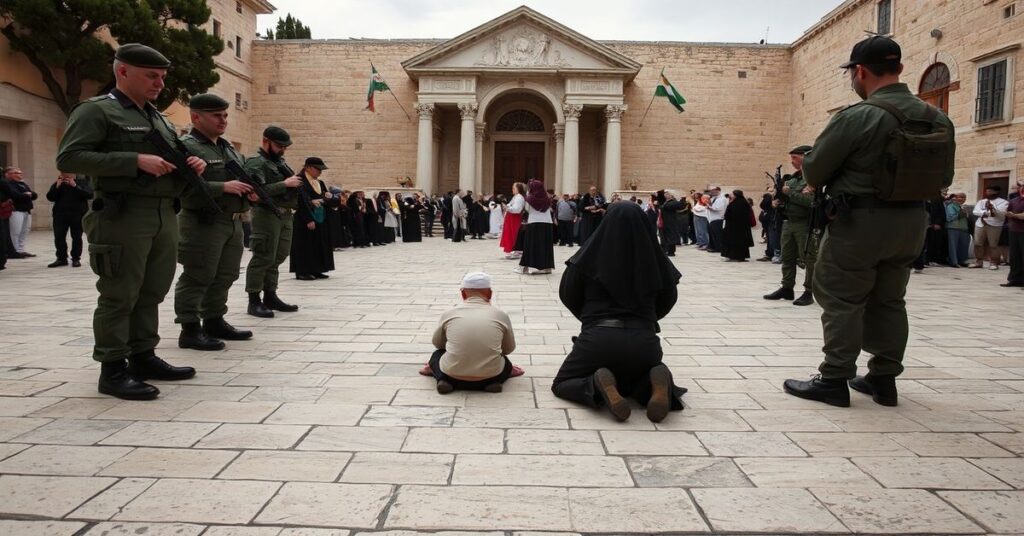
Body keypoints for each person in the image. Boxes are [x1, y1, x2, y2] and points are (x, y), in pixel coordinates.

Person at [783, 35, 956, 407]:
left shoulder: (858, 115)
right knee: (891, 300)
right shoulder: (937, 117)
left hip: (860, 222)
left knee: (842, 298)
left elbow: (814, 170)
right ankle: (883, 378)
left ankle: (833, 379)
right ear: (900, 69)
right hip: (911, 222)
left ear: (860, 71)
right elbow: (944, 178)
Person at [56, 43, 202, 400]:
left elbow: (171, 161)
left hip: (163, 213)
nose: (159, 84)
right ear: (122, 71)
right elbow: (70, 157)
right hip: (122, 215)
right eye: (151, 76)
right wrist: (133, 159)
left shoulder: (159, 118)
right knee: (120, 292)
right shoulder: (97, 111)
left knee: (152, 290)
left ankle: (143, 355)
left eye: (162, 77)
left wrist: (191, 165)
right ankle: (113, 368)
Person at [551, 201, 686, 422]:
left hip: (597, 338)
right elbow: (668, 299)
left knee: (562, 384)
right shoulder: (657, 259)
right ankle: (654, 384)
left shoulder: (587, 257)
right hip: (644, 340)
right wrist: (646, 319)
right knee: (633, 378)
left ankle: (595, 384)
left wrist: (590, 320)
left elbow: (568, 294)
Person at [172, 93, 258, 352]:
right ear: (196, 117)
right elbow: (180, 188)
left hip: (231, 221)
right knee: (199, 274)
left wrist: (248, 192)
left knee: (226, 275)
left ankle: (214, 319)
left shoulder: (227, 147)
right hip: (203, 221)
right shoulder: (186, 147)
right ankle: (189, 328)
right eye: (216, 115)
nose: (223, 120)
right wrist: (223, 187)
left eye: (225, 115)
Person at [243, 126, 303, 318]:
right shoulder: (256, 163)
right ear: (265, 141)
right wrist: (285, 184)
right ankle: (254, 300)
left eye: (285, 147)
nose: (283, 150)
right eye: (279, 146)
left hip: (285, 214)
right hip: (266, 214)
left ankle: (270, 295)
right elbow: (255, 192)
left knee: (278, 256)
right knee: (263, 256)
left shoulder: (279, 162)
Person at [429, 272, 518, 393]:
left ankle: (443, 379)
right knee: (505, 361)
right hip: (491, 375)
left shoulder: (449, 313)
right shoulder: (500, 315)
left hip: (452, 375)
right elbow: (508, 349)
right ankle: (493, 383)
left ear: (463, 293)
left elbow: (438, 344)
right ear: (490, 293)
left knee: (436, 355)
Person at [764, 145, 817, 305]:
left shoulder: (813, 179)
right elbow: (786, 199)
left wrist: (790, 193)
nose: (792, 161)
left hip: (804, 224)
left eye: (795, 158)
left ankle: (809, 291)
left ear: (805, 157)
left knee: (809, 259)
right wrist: (777, 202)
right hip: (788, 222)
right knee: (787, 257)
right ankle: (787, 288)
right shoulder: (792, 179)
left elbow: (811, 202)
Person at [290, 157, 336, 280]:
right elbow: (300, 201)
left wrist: (327, 199)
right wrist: (308, 219)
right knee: (305, 245)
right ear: (308, 167)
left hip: (320, 217)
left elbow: (325, 198)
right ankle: (302, 271)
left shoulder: (320, 183)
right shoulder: (299, 181)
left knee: (317, 243)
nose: (320, 172)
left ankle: (317, 269)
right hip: (304, 218)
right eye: (318, 169)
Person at [45, 172, 92, 268]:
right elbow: (50, 197)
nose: (64, 176)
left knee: (76, 237)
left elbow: (89, 195)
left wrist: (75, 186)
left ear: (73, 174)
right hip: (60, 215)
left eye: (66, 174)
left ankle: (76, 258)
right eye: (62, 174)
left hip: (77, 215)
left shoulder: (83, 182)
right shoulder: (58, 184)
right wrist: (57, 186)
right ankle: (61, 258)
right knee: (59, 237)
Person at [516, 179, 555, 274]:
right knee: (545, 246)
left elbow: (527, 209)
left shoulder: (530, 198)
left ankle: (524, 267)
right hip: (547, 224)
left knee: (530, 246)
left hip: (534, 223)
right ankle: (547, 268)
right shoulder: (547, 198)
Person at [971, 186, 1009, 270]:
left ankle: (994, 262)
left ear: (996, 192)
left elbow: (1002, 214)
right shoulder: (982, 201)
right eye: (987, 191)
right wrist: (984, 212)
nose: (988, 193)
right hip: (980, 224)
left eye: (990, 191)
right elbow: (975, 211)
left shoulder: (1004, 202)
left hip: (995, 225)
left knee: (993, 245)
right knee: (978, 243)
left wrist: (993, 208)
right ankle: (979, 261)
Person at [4, 166, 38, 258]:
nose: (19, 175)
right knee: (15, 231)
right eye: (16, 173)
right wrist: (26, 195)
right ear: (8, 174)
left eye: (20, 173)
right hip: (16, 211)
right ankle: (13, 251)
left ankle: (20, 249)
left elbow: (34, 195)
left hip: (27, 210)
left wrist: (27, 194)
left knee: (25, 231)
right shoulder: (8, 184)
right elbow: (15, 195)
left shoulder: (23, 184)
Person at [721, 189, 754, 261]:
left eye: (732, 194)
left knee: (735, 242)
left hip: (734, 227)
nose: (731, 195)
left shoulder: (736, 204)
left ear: (736, 195)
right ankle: (740, 256)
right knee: (741, 243)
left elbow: (731, 214)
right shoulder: (743, 202)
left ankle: (735, 256)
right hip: (740, 227)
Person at [1004, 181, 1024, 287]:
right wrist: (1011, 215)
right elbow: (1008, 213)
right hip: (1014, 230)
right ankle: (1014, 279)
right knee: (1015, 256)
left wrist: (1014, 215)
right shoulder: (1014, 200)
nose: (1021, 188)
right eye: (1020, 186)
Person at [500, 182, 526, 257]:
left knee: (513, 234)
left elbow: (517, 209)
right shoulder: (515, 196)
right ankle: (513, 249)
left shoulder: (519, 197)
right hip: (511, 218)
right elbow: (510, 205)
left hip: (514, 218)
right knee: (510, 234)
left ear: (518, 189)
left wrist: (507, 207)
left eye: (514, 188)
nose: (512, 189)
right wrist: (507, 206)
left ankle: (517, 250)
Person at [658, 190, 684, 257]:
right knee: (665, 236)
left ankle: (671, 252)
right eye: (665, 194)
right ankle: (665, 250)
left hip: (670, 222)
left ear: (671, 195)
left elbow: (668, 207)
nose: (665, 195)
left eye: (667, 194)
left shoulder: (674, 202)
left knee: (671, 237)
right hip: (664, 222)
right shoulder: (665, 202)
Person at [705, 186, 727, 253]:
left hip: (718, 218)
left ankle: (719, 248)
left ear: (718, 190)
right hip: (712, 219)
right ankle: (712, 247)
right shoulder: (714, 198)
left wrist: (709, 207)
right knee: (712, 234)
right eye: (711, 191)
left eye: (713, 190)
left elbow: (718, 208)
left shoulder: (722, 199)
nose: (711, 192)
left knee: (717, 235)